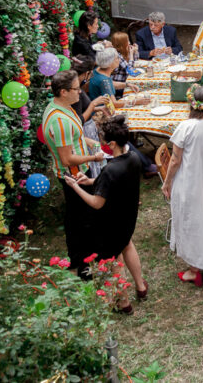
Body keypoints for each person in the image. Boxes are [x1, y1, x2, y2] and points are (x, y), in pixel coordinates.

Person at [64, 114, 149, 313]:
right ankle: (141, 286)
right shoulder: (133, 158)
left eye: (103, 141)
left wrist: (75, 186)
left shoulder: (111, 169)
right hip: (128, 217)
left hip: (111, 221)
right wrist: (91, 181)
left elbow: (96, 202)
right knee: (127, 244)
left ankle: (124, 303)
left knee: (113, 260)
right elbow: (111, 184)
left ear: (111, 144)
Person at [40, 69, 105, 278]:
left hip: (76, 170)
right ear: (63, 91)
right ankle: (84, 266)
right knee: (82, 219)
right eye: (76, 89)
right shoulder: (59, 121)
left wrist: (92, 143)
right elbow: (67, 158)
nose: (80, 93)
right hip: (74, 174)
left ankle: (79, 258)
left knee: (77, 217)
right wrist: (93, 159)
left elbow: (75, 138)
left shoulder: (63, 107)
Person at [162, 85, 203, 287]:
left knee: (191, 221)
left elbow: (175, 160)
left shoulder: (186, 127)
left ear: (191, 104)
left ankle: (194, 270)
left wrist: (167, 182)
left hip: (189, 182)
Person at [86, 48, 158, 176]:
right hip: (102, 117)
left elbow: (109, 83)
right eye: (116, 58)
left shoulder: (98, 72)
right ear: (109, 64)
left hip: (100, 113)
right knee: (124, 130)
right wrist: (137, 102)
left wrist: (127, 85)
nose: (119, 60)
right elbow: (113, 103)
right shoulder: (103, 80)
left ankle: (137, 150)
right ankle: (146, 166)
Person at [109, 31, 140, 98]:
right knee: (138, 90)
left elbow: (136, 62)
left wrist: (136, 51)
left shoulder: (124, 51)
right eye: (127, 40)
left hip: (126, 81)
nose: (129, 42)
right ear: (123, 44)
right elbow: (130, 70)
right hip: (118, 86)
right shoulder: (117, 55)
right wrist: (131, 54)